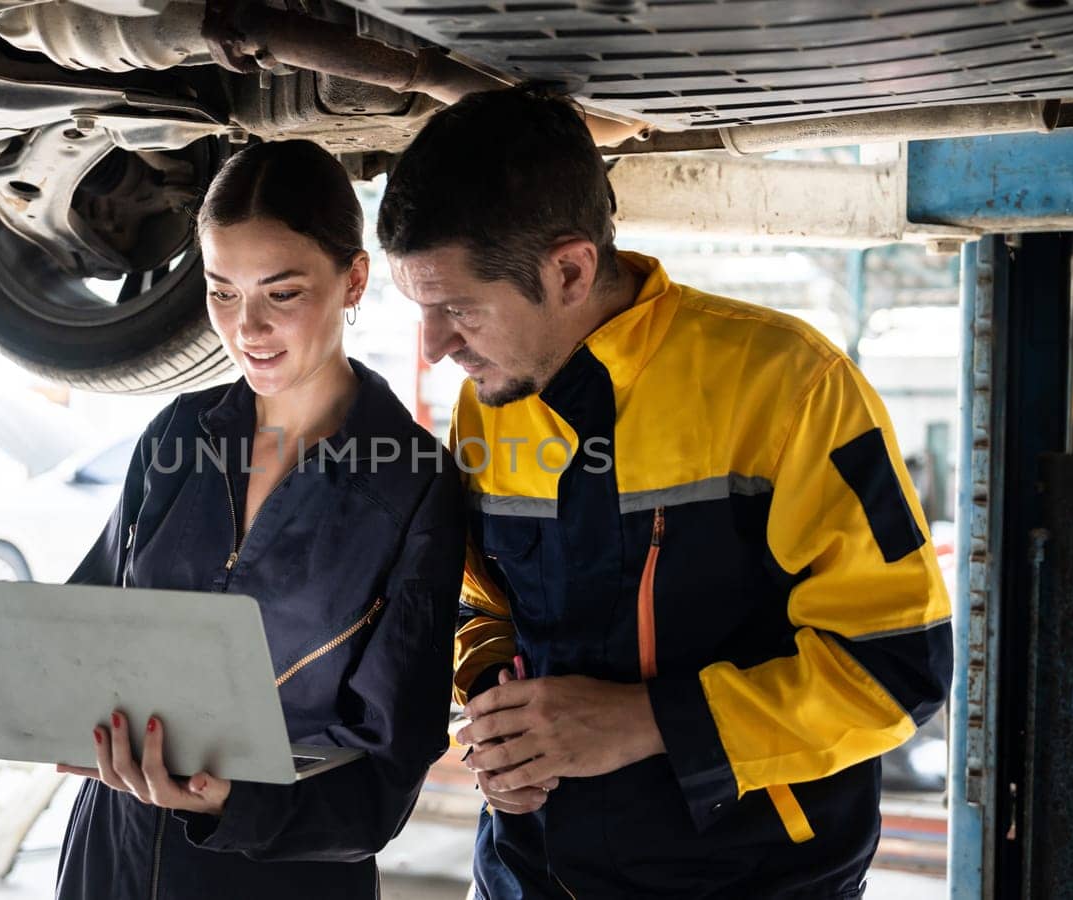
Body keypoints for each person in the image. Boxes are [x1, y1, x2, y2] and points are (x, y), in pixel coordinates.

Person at [378, 87, 953, 899]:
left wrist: (645, 723)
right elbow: (484, 609)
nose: (435, 347)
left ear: (570, 269)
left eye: (458, 309)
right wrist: (497, 716)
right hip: (527, 874)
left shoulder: (788, 389)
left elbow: (896, 669)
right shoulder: (494, 402)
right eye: (420, 310)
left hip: (753, 880)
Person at [54, 139, 465, 899]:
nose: (247, 328)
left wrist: (236, 803)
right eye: (221, 291)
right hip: (114, 854)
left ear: (355, 280)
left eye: (281, 293)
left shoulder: (413, 484)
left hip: (279, 874)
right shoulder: (178, 433)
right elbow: (87, 628)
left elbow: (386, 777)